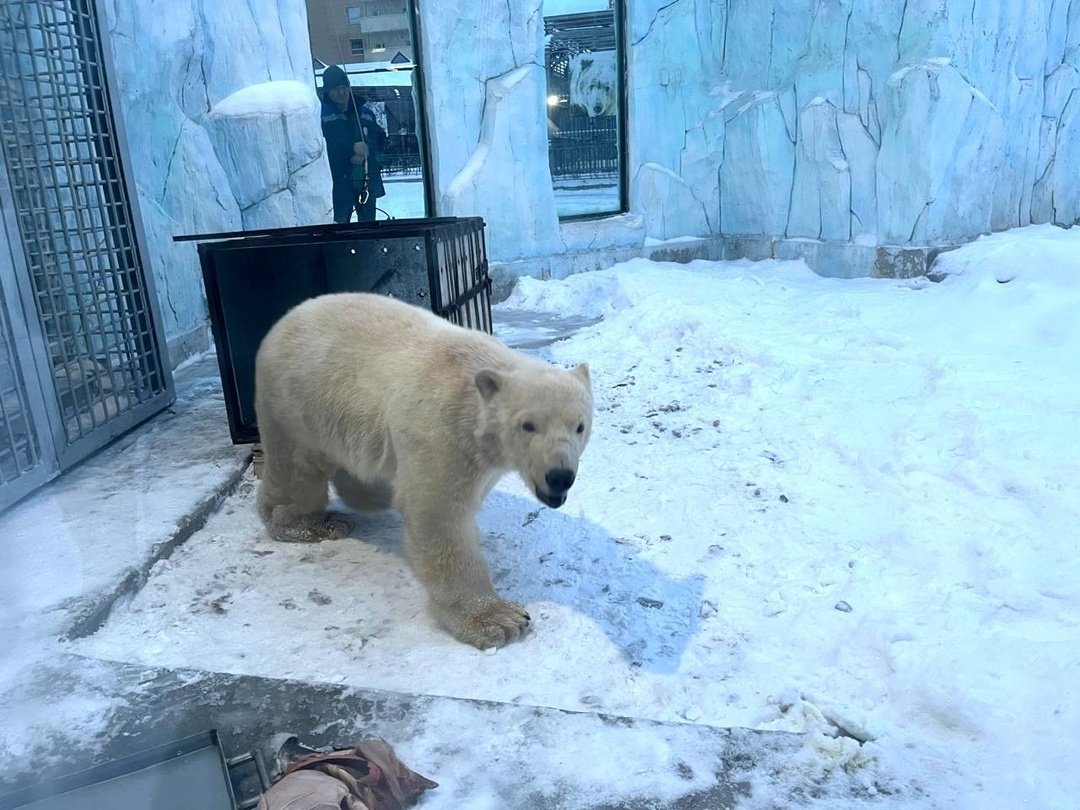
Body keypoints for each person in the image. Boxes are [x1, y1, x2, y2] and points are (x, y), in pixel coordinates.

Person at [319, 65, 386, 223]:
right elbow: (322, 147)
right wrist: (351, 149)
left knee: (369, 225)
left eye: (344, 87)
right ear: (327, 91)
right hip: (338, 183)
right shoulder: (321, 116)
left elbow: (380, 138)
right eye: (336, 89)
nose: (342, 92)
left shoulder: (365, 113)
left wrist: (368, 149)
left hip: (365, 178)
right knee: (339, 227)